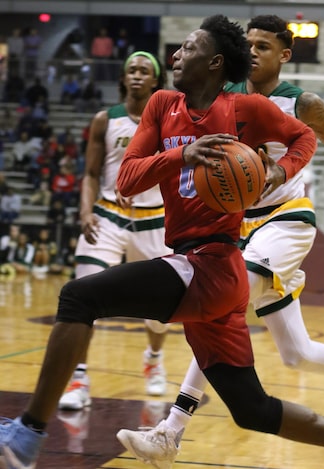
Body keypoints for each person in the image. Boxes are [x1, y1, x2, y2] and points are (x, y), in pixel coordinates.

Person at [0, 15, 324, 469]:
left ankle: (29, 434)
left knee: (78, 296)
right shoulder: (162, 105)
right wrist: (182, 154)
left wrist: (278, 170)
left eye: (188, 48)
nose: (175, 55)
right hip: (204, 266)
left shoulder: (246, 109)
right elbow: (127, 178)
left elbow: (305, 138)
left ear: (215, 62)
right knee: (253, 410)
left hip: (214, 262)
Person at [132, 15, 324, 468]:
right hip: (239, 229)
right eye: (250, 45)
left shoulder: (301, 103)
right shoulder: (223, 101)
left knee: (220, 304)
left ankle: (171, 429)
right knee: (296, 354)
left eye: (265, 46)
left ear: (285, 55)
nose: (256, 52)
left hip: (288, 221)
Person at [58, 50, 173, 411]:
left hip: (155, 220)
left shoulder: (169, 121)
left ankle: (153, 361)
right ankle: (78, 377)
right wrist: (85, 210)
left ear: (156, 80)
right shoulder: (105, 120)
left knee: (161, 310)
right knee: (82, 294)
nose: (137, 75)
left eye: (144, 71)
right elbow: (91, 174)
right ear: (123, 78)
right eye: (131, 70)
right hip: (107, 216)